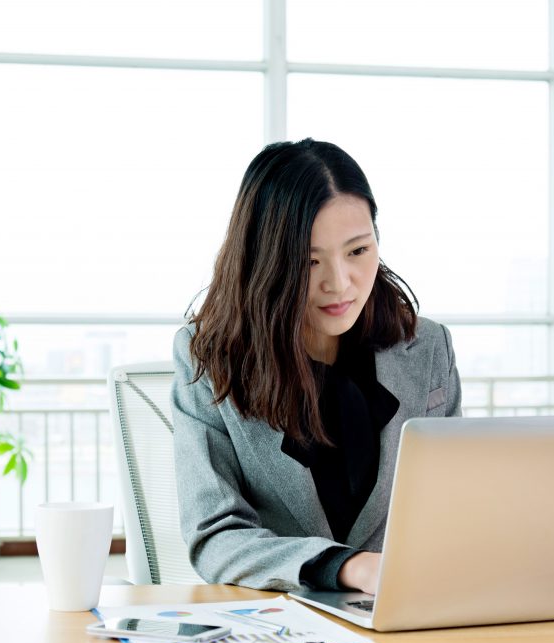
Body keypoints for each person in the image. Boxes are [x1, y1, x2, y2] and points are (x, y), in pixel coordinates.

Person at [170, 138, 462, 593]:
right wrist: (348, 567)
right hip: (281, 630)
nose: (340, 283)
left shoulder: (426, 348)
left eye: (358, 252)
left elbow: (453, 511)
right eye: (309, 261)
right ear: (266, 262)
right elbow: (214, 536)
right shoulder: (210, 355)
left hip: (407, 620)